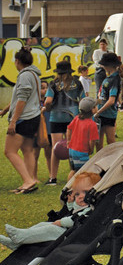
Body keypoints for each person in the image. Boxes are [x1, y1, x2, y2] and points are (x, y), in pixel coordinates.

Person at [0, 172, 99, 249]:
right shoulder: (82, 205)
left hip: (71, 236)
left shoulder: (90, 209)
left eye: (85, 192)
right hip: (65, 231)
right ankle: (16, 242)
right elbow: (72, 211)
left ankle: (20, 237)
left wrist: (60, 222)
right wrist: (70, 203)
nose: (81, 196)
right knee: (42, 225)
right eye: (77, 194)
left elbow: (74, 220)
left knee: (48, 229)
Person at [3, 48, 43, 193]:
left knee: (9, 151)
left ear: (17, 61)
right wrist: (5, 111)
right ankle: (30, 180)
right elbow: (20, 98)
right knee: (27, 150)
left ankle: (28, 180)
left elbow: (22, 99)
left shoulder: (25, 76)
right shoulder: (34, 74)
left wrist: (13, 121)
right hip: (33, 117)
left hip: (24, 118)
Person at [43, 59, 85, 184]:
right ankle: (73, 175)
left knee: (55, 148)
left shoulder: (53, 84)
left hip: (56, 118)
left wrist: (48, 109)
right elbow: (83, 99)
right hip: (73, 119)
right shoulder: (77, 83)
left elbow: (48, 101)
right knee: (72, 147)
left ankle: (53, 178)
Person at [94, 52, 123, 149]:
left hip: (108, 114)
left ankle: (113, 161)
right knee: (98, 141)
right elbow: (102, 96)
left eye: (104, 64)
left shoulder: (115, 79)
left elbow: (111, 100)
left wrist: (98, 111)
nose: (102, 66)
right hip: (101, 113)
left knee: (110, 141)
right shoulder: (108, 78)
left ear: (110, 65)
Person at [65, 98, 99, 179]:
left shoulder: (77, 118)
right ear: (92, 110)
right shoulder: (92, 124)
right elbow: (92, 141)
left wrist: (68, 141)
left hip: (72, 150)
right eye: (95, 106)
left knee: (73, 170)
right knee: (83, 173)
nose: (97, 107)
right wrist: (90, 150)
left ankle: (68, 187)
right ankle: (77, 188)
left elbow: (69, 128)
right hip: (81, 152)